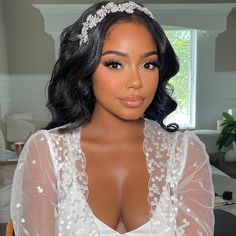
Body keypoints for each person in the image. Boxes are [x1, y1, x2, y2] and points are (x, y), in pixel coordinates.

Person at [10, 1, 215, 235]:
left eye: (148, 64)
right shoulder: (47, 151)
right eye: (115, 64)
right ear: (86, 67)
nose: (136, 82)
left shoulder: (186, 153)